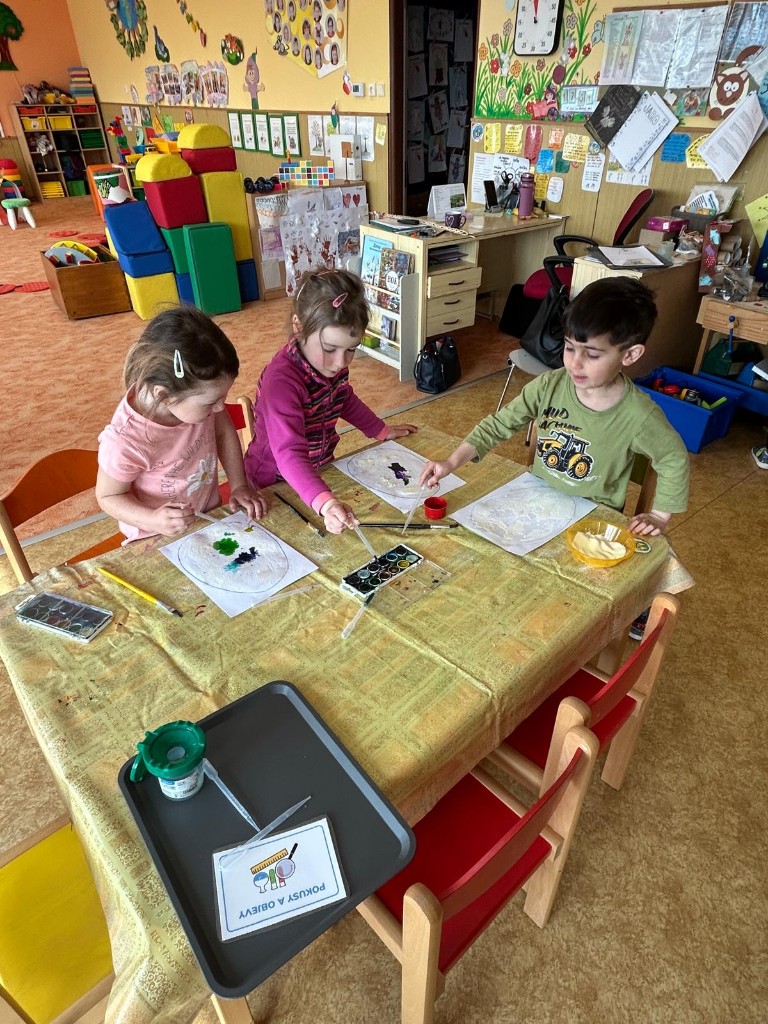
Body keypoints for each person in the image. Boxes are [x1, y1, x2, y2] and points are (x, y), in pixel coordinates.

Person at [420, 277, 690, 537]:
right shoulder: (550, 384)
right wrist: (451, 462)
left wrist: (659, 515)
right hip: (537, 503)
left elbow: (673, 458)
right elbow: (498, 424)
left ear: (630, 354)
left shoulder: (639, 414)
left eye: (592, 354)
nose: (574, 363)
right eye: (569, 347)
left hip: (593, 519)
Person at [244, 270, 417, 534]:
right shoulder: (281, 382)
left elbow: (343, 398)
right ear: (299, 327)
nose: (341, 362)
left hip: (316, 470)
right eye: (329, 349)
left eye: (351, 349)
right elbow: (289, 454)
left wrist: (380, 430)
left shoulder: (328, 366)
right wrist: (325, 503)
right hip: (272, 482)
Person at [97, 307, 269, 542]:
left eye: (223, 397)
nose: (220, 407)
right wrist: (153, 520)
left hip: (207, 517)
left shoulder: (199, 402)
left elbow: (224, 433)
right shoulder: (125, 440)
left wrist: (239, 484)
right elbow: (108, 497)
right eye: (211, 402)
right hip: (156, 535)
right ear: (164, 395)